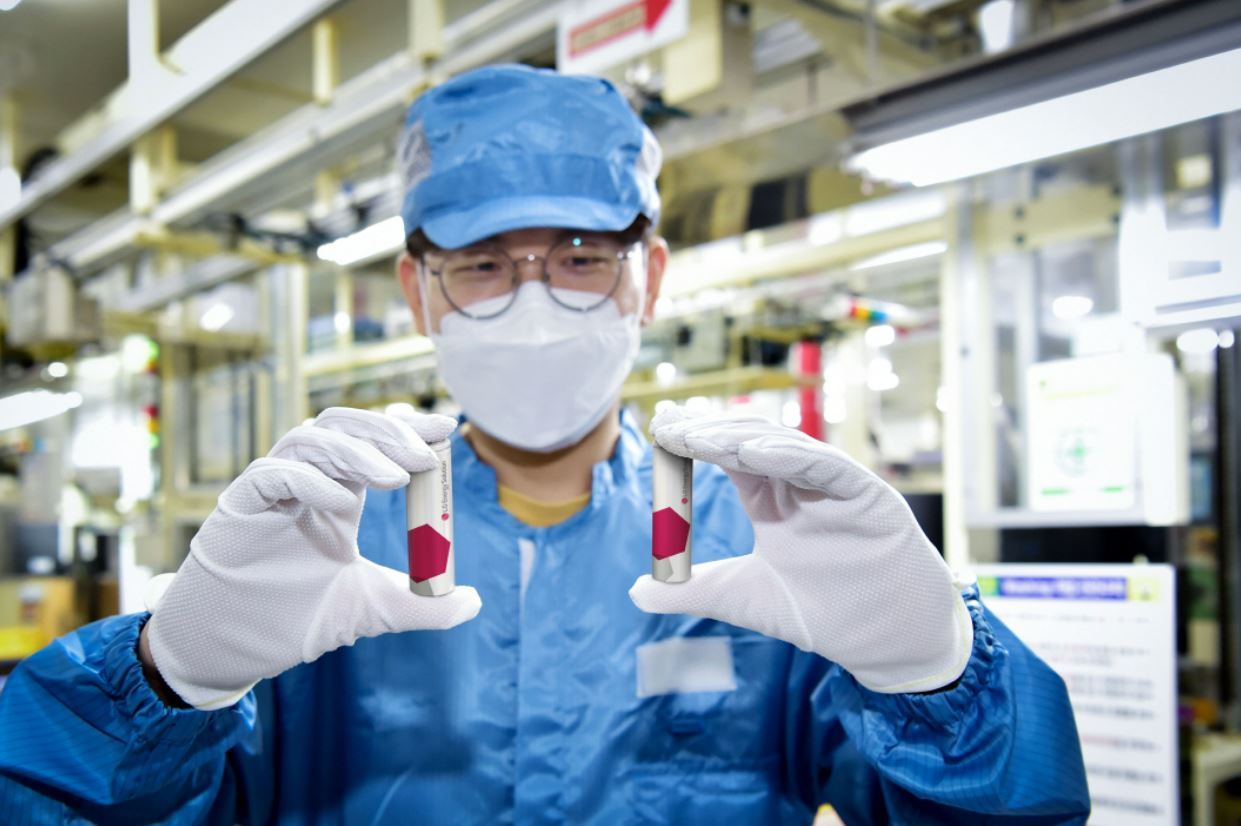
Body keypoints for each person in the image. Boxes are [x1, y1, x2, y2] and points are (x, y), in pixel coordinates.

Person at [0, 65, 1090, 824]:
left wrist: (934, 673)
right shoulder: (316, 543)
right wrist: (163, 679)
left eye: (578, 256)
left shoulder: (762, 548)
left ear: (647, 276)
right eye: (479, 262)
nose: (531, 301)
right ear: (415, 291)